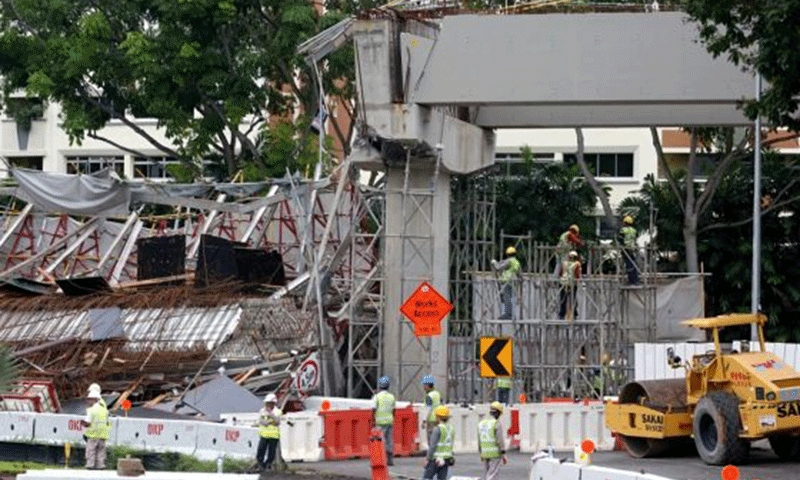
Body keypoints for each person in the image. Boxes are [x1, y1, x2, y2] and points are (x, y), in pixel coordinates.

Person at [422, 406, 455, 480]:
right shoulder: (451, 428)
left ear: (438, 417)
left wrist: (427, 459)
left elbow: (432, 446)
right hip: (446, 458)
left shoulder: (438, 429)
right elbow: (451, 444)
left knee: (427, 477)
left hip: (435, 459)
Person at [81, 389, 110, 470]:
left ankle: (90, 465)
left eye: (89, 399)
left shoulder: (91, 410)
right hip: (103, 434)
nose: (88, 401)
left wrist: (82, 423)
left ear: (94, 399)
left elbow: (88, 423)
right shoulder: (105, 410)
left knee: (91, 451)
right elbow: (107, 422)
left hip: (93, 434)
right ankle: (100, 466)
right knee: (101, 452)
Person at [478, 402, 508, 480]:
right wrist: (503, 452)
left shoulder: (482, 423)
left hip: (485, 453)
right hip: (495, 453)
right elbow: (499, 439)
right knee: (492, 475)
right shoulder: (496, 423)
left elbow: (479, 439)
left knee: (487, 474)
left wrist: (481, 452)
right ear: (498, 413)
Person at [491, 246, 521, 320]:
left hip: (507, 281)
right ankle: (509, 313)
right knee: (508, 297)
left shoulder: (509, 261)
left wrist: (494, 262)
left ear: (507, 254)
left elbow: (498, 268)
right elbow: (519, 274)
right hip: (514, 282)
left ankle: (508, 314)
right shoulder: (516, 262)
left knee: (506, 298)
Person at [373, 376, 396, 466]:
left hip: (379, 422)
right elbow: (394, 409)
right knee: (389, 440)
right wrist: (391, 417)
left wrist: (373, 420)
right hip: (389, 421)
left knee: (381, 441)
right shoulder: (391, 396)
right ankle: (390, 459)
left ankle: (382, 459)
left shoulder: (377, 397)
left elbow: (373, 409)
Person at [256, 393, 282, 471]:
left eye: (269, 403)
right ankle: (260, 465)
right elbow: (261, 420)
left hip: (273, 435)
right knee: (261, 450)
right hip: (264, 434)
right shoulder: (262, 411)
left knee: (271, 453)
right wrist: (268, 422)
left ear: (273, 403)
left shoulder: (277, 411)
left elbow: (277, 422)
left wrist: (271, 415)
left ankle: (268, 465)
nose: (267, 404)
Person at [558, 251, 581, 320]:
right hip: (572, 283)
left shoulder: (564, 263)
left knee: (563, 299)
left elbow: (560, 273)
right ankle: (574, 314)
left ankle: (562, 315)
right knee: (573, 299)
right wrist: (579, 280)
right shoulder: (577, 264)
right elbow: (577, 274)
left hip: (563, 283)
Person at [619, 215, 640, 285]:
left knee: (628, 265)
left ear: (625, 222)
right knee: (633, 264)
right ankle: (635, 280)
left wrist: (621, 246)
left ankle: (631, 280)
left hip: (626, 249)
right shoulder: (634, 230)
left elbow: (620, 239)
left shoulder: (623, 230)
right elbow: (636, 237)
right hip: (632, 249)